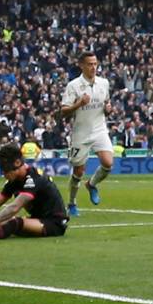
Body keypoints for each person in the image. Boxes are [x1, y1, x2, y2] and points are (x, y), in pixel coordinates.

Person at [60, 51, 114, 217]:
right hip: (81, 133)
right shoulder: (73, 86)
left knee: (108, 163)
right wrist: (79, 104)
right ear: (81, 65)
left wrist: (108, 110)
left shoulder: (104, 83)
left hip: (99, 129)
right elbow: (63, 112)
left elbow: (106, 104)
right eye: (90, 64)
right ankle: (72, 203)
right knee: (78, 171)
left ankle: (91, 184)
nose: (93, 67)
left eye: (95, 64)